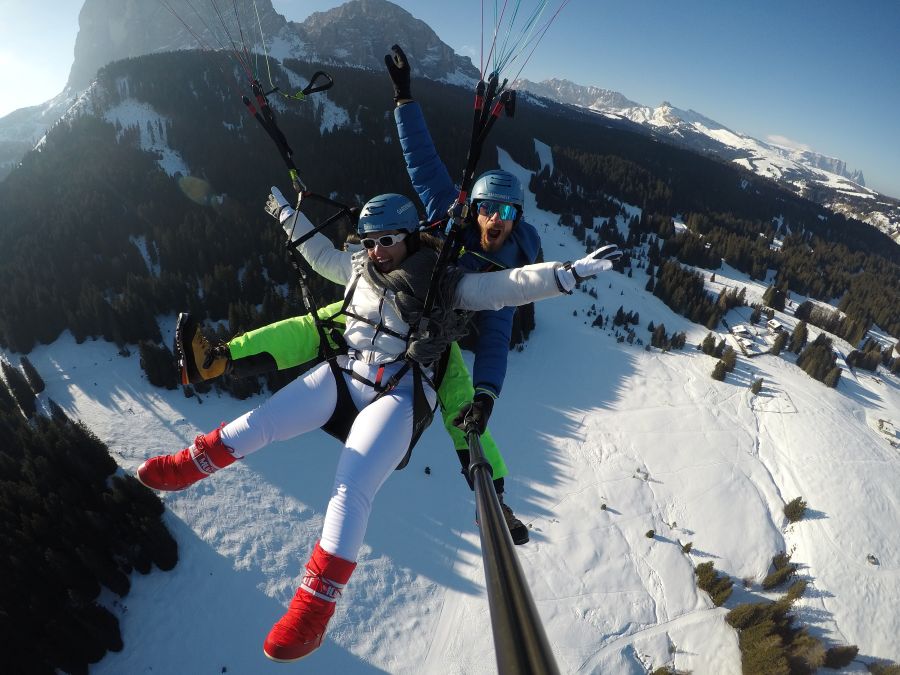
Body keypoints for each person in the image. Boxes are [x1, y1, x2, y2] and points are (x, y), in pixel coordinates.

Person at [139, 189, 621, 662]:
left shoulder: (442, 284)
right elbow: (319, 254)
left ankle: (311, 612)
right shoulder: (361, 268)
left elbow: (501, 289)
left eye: (385, 240)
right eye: (369, 241)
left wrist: (564, 275)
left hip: (401, 391)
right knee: (264, 421)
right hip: (348, 372)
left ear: (410, 237)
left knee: (351, 485)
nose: (375, 251)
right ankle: (187, 467)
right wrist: (286, 212)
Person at [385, 43, 543, 538]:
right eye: (488, 209)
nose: (496, 220)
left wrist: (487, 396)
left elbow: (496, 337)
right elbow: (422, 161)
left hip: (450, 332)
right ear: (473, 208)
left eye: (507, 213)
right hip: (408, 305)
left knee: (466, 414)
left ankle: (493, 499)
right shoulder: (450, 215)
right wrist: (404, 96)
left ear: (517, 219)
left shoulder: (506, 267)